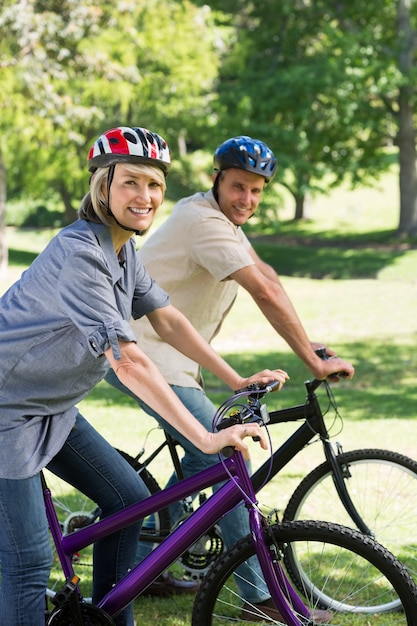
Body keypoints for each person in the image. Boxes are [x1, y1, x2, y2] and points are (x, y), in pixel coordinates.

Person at [0, 126, 289, 626]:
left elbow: (167, 318)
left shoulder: (121, 250)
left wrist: (235, 379)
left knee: (130, 501)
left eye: (155, 185)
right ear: (102, 187)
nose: (146, 197)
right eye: (132, 182)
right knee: (26, 566)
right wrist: (206, 436)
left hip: (52, 406)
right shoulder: (81, 255)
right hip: (7, 411)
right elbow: (128, 359)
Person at [105, 135, 354, 622]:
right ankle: (258, 594)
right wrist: (312, 362)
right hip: (141, 354)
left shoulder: (222, 219)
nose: (247, 199)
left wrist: (311, 344)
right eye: (239, 186)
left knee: (203, 463)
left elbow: (268, 275)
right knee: (223, 457)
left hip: (170, 356)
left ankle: (142, 565)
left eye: (257, 191)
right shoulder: (203, 223)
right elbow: (261, 289)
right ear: (216, 180)